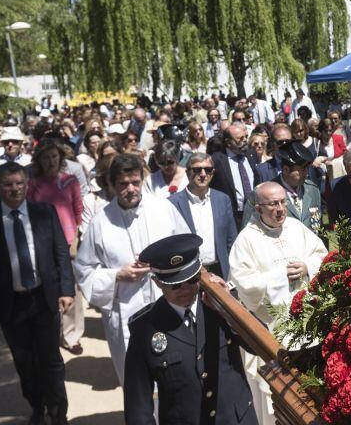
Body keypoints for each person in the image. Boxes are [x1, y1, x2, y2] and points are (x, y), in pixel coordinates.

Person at [123, 234, 258, 425]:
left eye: (192, 280)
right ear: (157, 282)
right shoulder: (145, 329)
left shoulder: (220, 305)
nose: (185, 289)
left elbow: (258, 344)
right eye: (175, 284)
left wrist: (229, 308)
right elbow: (138, 406)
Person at [0, 162, 75, 425]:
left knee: (50, 359)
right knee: (25, 363)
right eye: (7, 184)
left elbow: (61, 253)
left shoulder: (44, 213)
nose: (14, 189)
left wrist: (66, 289)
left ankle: (59, 414)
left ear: (27, 184)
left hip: (44, 299)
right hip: (11, 304)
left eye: (19, 183)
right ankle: (37, 408)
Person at [74, 154, 191, 385]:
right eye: (123, 184)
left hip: (168, 304)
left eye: (135, 182)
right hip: (126, 310)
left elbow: (186, 249)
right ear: (111, 184)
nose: (130, 189)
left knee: (176, 378)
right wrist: (117, 275)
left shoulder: (163, 209)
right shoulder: (100, 222)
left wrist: (163, 265)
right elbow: (84, 269)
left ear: (142, 180)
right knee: (138, 382)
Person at [229, 181, 327, 425]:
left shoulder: (295, 227)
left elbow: (321, 254)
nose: (281, 209)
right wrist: (278, 275)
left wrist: (307, 265)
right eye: (273, 204)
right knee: (282, 381)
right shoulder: (247, 240)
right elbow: (243, 284)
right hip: (274, 323)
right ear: (258, 207)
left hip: (307, 317)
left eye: (283, 202)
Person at [26, 137, 85, 356]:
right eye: (46, 157)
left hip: (68, 240)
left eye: (54, 156)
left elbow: (78, 210)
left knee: (72, 289)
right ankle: (52, 331)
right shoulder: (33, 185)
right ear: (39, 160)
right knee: (47, 287)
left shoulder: (70, 181)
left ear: (60, 158)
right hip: (42, 241)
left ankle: (72, 335)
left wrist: (78, 236)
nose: (50, 161)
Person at [168, 153, 239, 278]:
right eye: (197, 170)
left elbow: (231, 240)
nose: (203, 174)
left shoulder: (223, 199)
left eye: (208, 170)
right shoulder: (172, 203)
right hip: (189, 272)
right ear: (187, 172)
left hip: (220, 271)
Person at [243, 142, 323, 234]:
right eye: (301, 170)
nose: (306, 174)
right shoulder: (264, 193)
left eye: (306, 169)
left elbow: (319, 229)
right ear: (286, 170)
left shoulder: (312, 190)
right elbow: (248, 231)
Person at [210, 123, 259, 230]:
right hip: (232, 216)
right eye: (240, 138)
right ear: (228, 142)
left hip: (255, 214)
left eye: (245, 137)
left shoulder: (251, 154)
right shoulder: (217, 160)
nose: (245, 140)